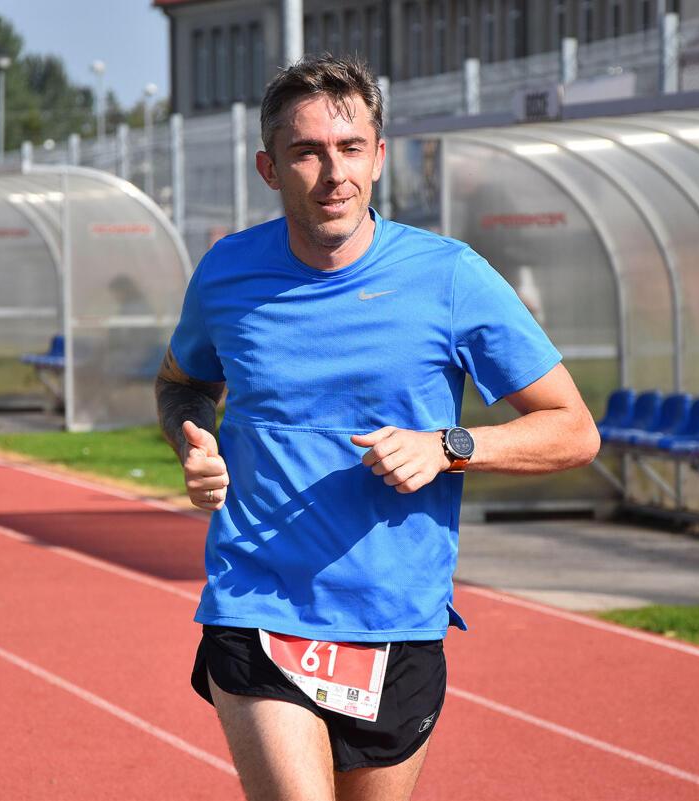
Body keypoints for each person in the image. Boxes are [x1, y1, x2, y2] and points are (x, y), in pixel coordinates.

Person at [155, 54, 600, 801]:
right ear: (269, 168)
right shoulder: (227, 272)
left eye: (351, 148)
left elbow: (574, 429)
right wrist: (191, 439)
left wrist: (449, 446)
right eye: (307, 152)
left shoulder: (449, 276)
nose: (334, 174)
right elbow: (183, 383)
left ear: (380, 157)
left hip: (398, 617)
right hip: (259, 603)